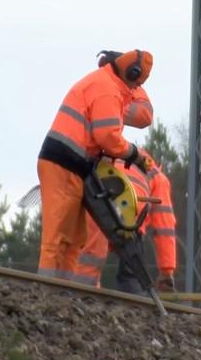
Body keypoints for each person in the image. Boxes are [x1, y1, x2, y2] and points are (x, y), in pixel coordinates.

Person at [37, 50, 155, 280]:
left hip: (73, 166)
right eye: (136, 83)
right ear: (130, 73)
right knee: (58, 236)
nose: (136, 89)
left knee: (73, 239)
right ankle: (46, 291)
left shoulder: (109, 85)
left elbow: (143, 116)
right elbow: (107, 137)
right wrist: (134, 154)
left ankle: (63, 292)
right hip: (62, 164)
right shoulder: (107, 90)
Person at [74, 158, 177, 293]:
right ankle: (131, 305)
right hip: (130, 216)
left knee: (89, 262)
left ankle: (81, 298)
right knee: (131, 273)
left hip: (98, 203)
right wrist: (167, 271)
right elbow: (165, 227)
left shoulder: (118, 158)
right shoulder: (158, 176)